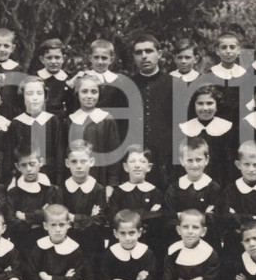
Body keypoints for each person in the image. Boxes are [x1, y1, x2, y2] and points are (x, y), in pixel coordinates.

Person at [4, 204, 90, 280]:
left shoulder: (75, 249)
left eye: (61, 225)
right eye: (53, 225)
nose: (58, 229)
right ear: (45, 226)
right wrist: (61, 279)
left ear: (68, 225)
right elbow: (31, 274)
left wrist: (50, 279)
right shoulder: (40, 245)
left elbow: (75, 279)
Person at [147, 209, 225, 280]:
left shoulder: (210, 253)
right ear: (179, 230)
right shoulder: (173, 251)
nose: (190, 231)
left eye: (195, 227)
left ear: (203, 231)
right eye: (185, 227)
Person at [82, 210, 156, 280]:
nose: (127, 238)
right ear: (115, 234)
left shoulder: (147, 253)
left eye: (131, 233)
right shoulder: (110, 254)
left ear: (139, 232)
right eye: (123, 233)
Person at [107, 145, 166, 271]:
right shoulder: (119, 193)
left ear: (149, 167)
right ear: (125, 167)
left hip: (148, 241)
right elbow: (113, 217)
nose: (137, 165)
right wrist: (146, 214)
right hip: (123, 241)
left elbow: (159, 218)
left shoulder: (155, 193)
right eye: (132, 161)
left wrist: (127, 215)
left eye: (142, 161)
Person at [129, 34, 174, 189]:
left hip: (167, 162)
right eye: (139, 52)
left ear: (159, 54)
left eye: (149, 51)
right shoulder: (126, 86)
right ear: (134, 57)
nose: (144, 56)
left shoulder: (174, 85)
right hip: (135, 161)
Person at [60, 140, 108, 280]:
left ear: (91, 161)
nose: (79, 166)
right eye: (74, 162)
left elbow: (98, 221)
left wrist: (73, 217)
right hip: (68, 240)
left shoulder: (98, 189)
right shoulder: (62, 189)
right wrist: (87, 218)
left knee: (90, 275)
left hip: (91, 244)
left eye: (83, 161)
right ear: (67, 163)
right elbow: (59, 218)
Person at [164, 137, 222, 255]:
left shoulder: (213, 188)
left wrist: (181, 216)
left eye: (199, 159)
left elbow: (215, 219)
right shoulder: (174, 189)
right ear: (181, 161)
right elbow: (169, 218)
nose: (195, 165)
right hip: (179, 242)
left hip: (207, 242)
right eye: (189, 160)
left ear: (206, 160)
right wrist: (202, 215)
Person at [218, 141, 256, 263]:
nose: (251, 169)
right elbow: (226, 217)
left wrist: (238, 217)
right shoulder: (230, 190)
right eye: (246, 164)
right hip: (236, 245)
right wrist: (254, 218)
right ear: (238, 164)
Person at [67, 73, 121, 190]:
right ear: (77, 93)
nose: (89, 96)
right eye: (84, 91)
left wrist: (112, 183)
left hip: (101, 178)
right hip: (75, 179)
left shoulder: (106, 119)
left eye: (94, 92)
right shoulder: (71, 120)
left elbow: (114, 153)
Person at [9, 75, 65, 184]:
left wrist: (58, 183)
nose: (35, 98)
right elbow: (11, 156)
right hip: (24, 176)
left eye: (39, 93)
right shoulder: (16, 123)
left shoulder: (53, 121)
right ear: (23, 96)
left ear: (45, 96)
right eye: (30, 93)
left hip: (50, 176)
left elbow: (59, 153)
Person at [178, 85, 236, 186]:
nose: (205, 108)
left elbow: (229, 164)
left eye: (210, 103)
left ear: (217, 106)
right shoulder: (184, 129)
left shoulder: (227, 129)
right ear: (194, 105)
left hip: (220, 182)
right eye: (200, 103)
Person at [6, 145, 57, 250]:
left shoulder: (50, 190)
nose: (28, 169)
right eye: (23, 165)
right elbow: (10, 220)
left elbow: (51, 215)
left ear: (41, 162)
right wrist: (34, 224)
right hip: (20, 241)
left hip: (45, 240)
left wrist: (25, 216)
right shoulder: (14, 192)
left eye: (32, 164)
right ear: (17, 166)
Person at [207, 31, 248, 126]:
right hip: (216, 122)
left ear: (238, 51)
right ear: (217, 51)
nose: (228, 51)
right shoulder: (210, 75)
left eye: (232, 47)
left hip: (240, 123)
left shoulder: (245, 76)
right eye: (224, 47)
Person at [31, 38, 72, 117]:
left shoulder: (68, 79)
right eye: (49, 58)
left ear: (64, 58)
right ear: (42, 59)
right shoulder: (35, 78)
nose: (53, 61)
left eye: (57, 57)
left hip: (61, 121)